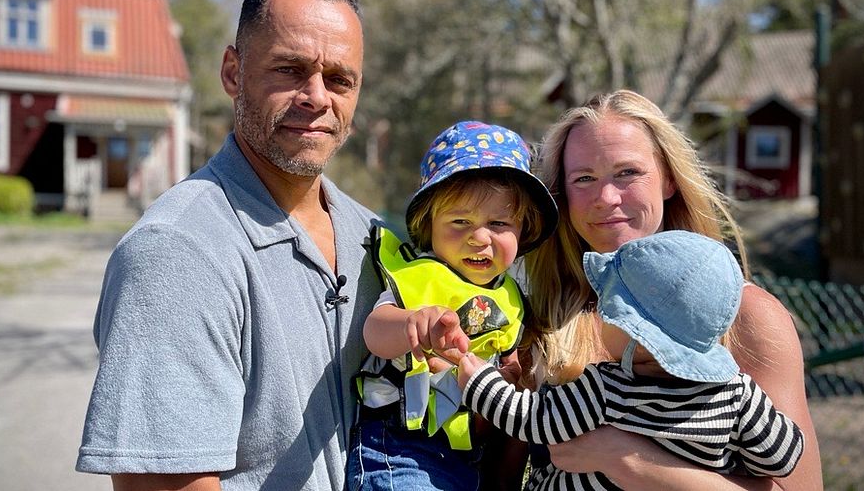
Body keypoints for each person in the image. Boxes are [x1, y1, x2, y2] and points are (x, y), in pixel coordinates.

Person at [75, 0, 383, 491]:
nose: (316, 97)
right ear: (233, 73)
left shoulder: (371, 235)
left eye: (339, 79)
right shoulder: (178, 253)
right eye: (289, 69)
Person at [511, 89, 823, 490]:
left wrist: (625, 459)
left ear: (670, 180)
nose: (606, 198)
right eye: (584, 178)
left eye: (627, 173)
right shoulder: (543, 315)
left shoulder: (748, 314)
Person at [458, 230, 805, 490]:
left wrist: (476, 379)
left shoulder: (607, 388)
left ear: (636, 336)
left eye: (608, 309)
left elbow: (533, 419)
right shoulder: (737, 394)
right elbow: (781, 456)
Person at [346, 120, 559, 490]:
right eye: (460, 221)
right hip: (400, 449)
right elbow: (375, 331)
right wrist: (413, 323)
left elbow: (507, 363)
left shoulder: (511, 299)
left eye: (498, 222)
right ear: (429, 225)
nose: (479, 238)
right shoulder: (422, 276)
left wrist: (509, 376)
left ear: (523, 229)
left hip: (466, 453)